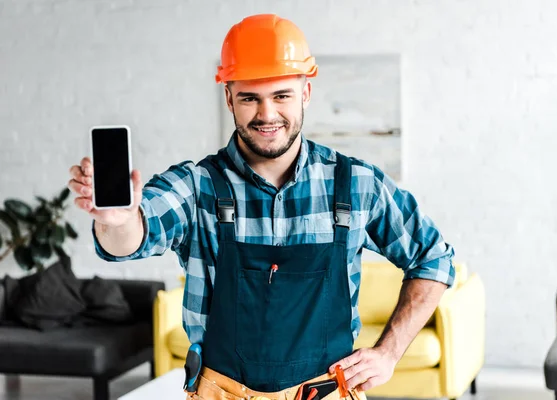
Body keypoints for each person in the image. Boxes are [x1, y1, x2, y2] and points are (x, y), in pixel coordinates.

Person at [68, 13, 455, 400]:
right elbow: (131, 238)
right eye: (250, 98)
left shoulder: (356, 184)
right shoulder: (196, 186)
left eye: (281, 95)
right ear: (228, 97)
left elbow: (433, 257)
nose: (267, 115)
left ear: (306, 92)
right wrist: (116, 219)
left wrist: (388, 353)